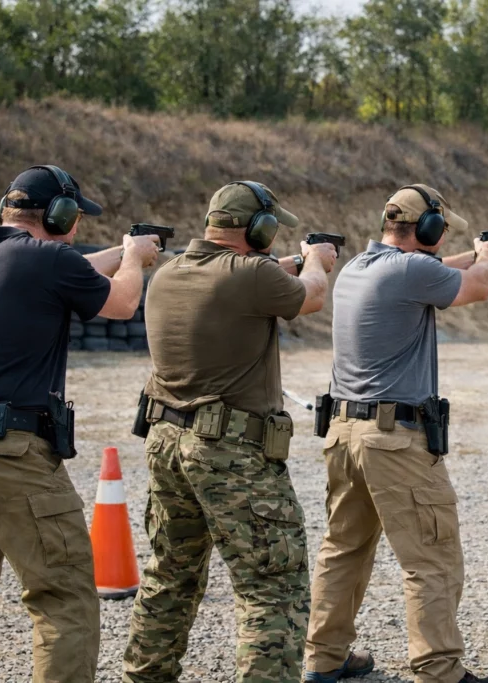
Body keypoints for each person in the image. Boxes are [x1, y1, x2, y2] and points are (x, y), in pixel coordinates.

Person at [0, 164, 159, 682]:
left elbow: (60, 272)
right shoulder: (48, 262)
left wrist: (121, 251)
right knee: (63, 594)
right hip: (7, 452)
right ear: (60, 214)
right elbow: (122, 301)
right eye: (73, 219)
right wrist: (136, 260)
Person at [122, 181, 338, 683]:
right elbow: (311, 295)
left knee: (169, 576)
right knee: (271, 584)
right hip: (231, 452)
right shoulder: (252, 275)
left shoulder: (172, 272)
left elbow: (244, 280)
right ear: (258, 230)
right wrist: (315, 258)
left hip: (167, 444)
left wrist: (283, 264)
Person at [303, 184, 488, 683]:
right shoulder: (414, 271)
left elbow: (433, 270)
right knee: (432, 557)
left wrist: (469, 254)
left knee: (343, 550)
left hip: (346, 434)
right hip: (395, 441)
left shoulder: (359, 267)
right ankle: (439, 670)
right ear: (429, 229)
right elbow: (477, 284)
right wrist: (487, 256)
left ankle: (323, 659)